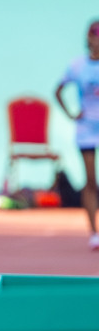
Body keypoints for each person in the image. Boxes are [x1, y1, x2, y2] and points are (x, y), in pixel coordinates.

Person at [54, 20, 99, 250]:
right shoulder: (78, 66)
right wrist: (71, 114)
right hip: (87, 130)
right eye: (95, 35)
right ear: (88, 38)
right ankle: (94, 231)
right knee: (91, 180)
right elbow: (58, 90)